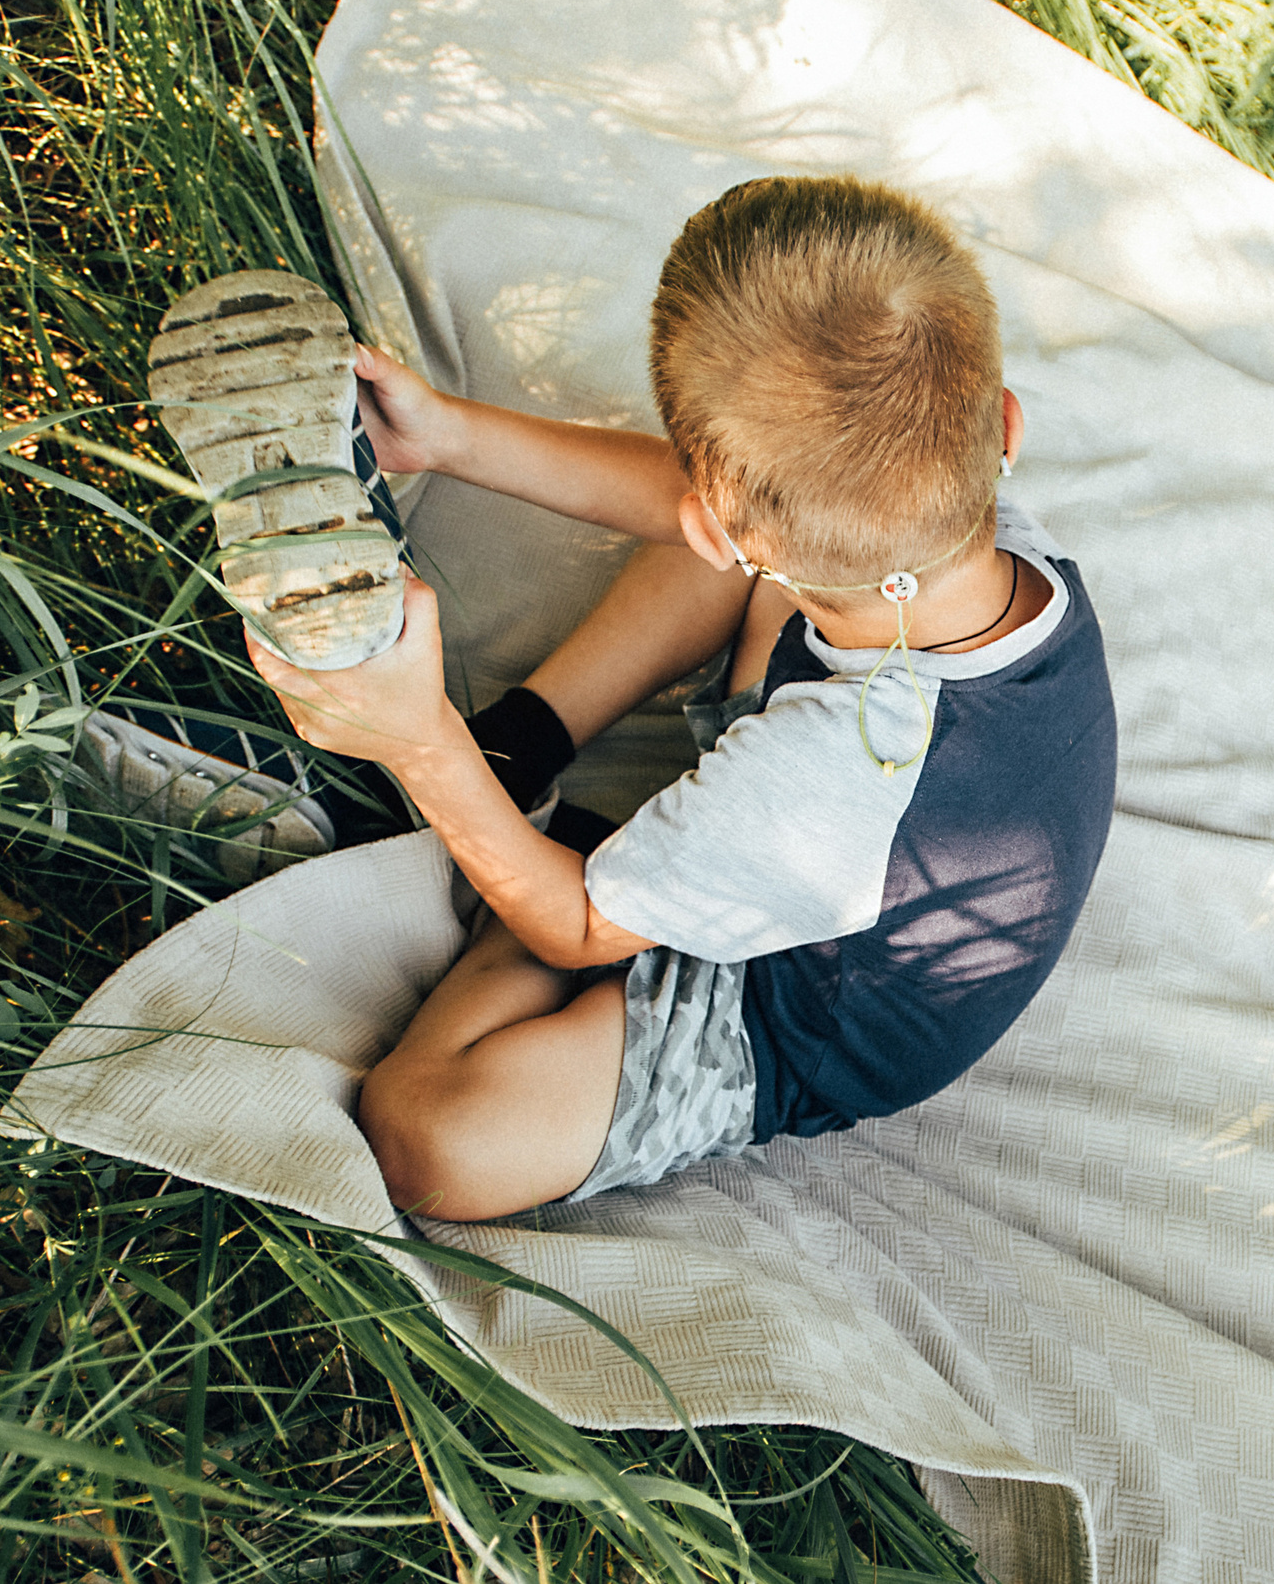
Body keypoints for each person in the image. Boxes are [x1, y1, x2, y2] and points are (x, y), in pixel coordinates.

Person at [250, 174, 1117, 1221]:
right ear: (1004, 424)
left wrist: (418, 737)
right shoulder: (983, 528)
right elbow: (731, 527)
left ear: (708, 524)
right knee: (800, 535)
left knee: (429, 1136)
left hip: (781, 1011)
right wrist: (448, 436)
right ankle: (519, 750)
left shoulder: (823, 773)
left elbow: (576, 925)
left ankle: (489, 805)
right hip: (843, 821)